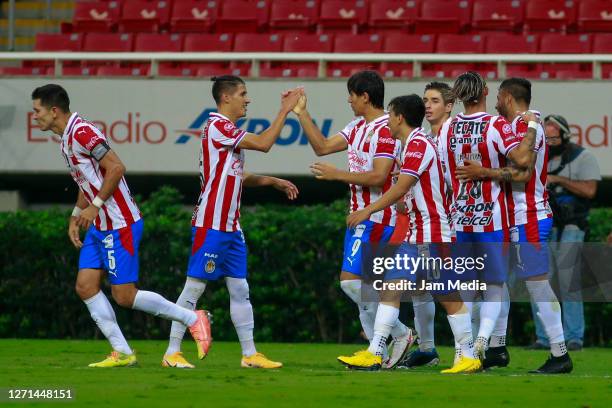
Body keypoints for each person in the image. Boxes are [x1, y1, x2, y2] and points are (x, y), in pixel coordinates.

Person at [31, 84, 211, 368]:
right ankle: (123, 352)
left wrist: (95, 205)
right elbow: (88, 179)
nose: (35, 117)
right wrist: (78, 213)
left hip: (119, 223)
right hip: (100, 224)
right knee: (85, 286)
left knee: (124, 296)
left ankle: (193, 318)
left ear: (54, 111)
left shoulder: (82, 132)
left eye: (37, 110)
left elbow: (116, 167)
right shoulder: (66, 137)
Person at [162, 76, 301, 369]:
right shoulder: (218, 125)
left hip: (230, 225)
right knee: (194, 288)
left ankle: (249, 355)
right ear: (226, 98)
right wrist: (285, 110)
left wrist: (271, 180)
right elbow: (264, 144)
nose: (247, 99)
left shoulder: (227, 132)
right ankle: (172, 352)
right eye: (243, 93)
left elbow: (236, 175)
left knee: (240, 289)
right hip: (211, 223)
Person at [338, 95, 480, 374]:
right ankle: (374, 352)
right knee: (391, 289)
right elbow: (408, 193)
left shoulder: (417, 144)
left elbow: (402, 187)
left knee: (448, 296)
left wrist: (368, 210)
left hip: (432, 233)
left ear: (400, 117)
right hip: (416, 232)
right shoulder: (409, 146)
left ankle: (468, 355)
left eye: (390, 116)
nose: (387, 121)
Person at [294, 70, 413, 368]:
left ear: (365, 97)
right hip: (359, 218)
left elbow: (379, 175)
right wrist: (302, 113)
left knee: (351, 283)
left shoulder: (387, 128)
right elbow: (321, 146)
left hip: (377, 216)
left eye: (351, 94)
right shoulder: (357, 126)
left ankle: (399, 334)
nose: (348, 99)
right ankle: (377, 353)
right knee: (363, 288)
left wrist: (336, 174)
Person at [456, 77, 573, 374]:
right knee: (495, 283)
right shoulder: (519, 125)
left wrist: (482, 171)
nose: (495, 101)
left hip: (528, 216)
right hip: (511, 218)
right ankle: (496, 348)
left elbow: (522, 173)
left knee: (536, 284)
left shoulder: (525, 124)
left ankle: (560, 354)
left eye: (498, 95)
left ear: (507, 97)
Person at [438, 71, 538, 362]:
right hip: (492, 217)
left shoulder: (447, 127)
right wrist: (531, 125)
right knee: (494, 284)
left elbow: (445, 175)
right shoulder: (496, 124)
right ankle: (482, 343)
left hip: (459, 215)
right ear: (484, 91)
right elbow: (521, 159)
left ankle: (463, 352)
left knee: (466, 286)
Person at [526, 114, 601, 351]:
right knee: (539, 281)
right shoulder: (538, 157)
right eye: (546, 138)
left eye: (555, 137)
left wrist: (557, 179)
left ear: (565, 136)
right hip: (544, 223)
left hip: (572, 225)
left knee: (569, 282)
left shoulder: (583, 156)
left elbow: (590, 190)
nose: (550, 142)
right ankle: (544, 336)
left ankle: (574, 336)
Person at [397, 81, 455, 369]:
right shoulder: (425, 139)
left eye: (434, 100)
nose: (428, 105)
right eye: (425, 100)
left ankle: (476, 348)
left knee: (458, 290)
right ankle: (428, 349)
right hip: (427, 223)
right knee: (421, 289)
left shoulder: (452, 136)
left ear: (449, 105)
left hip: (448, 224)